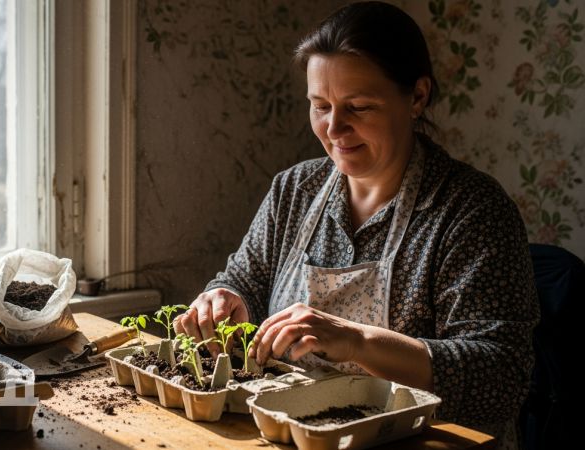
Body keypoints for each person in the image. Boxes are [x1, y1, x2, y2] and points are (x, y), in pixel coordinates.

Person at [173, 2, 539, 448]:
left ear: (417, 97)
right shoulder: (295, 190)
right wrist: (225, 298)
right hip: (297, 434)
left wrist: (358, 341)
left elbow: (501, 376)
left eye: (359, 107)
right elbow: (245, 281)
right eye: (320, 106)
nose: (334, 128)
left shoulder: (471, 211)